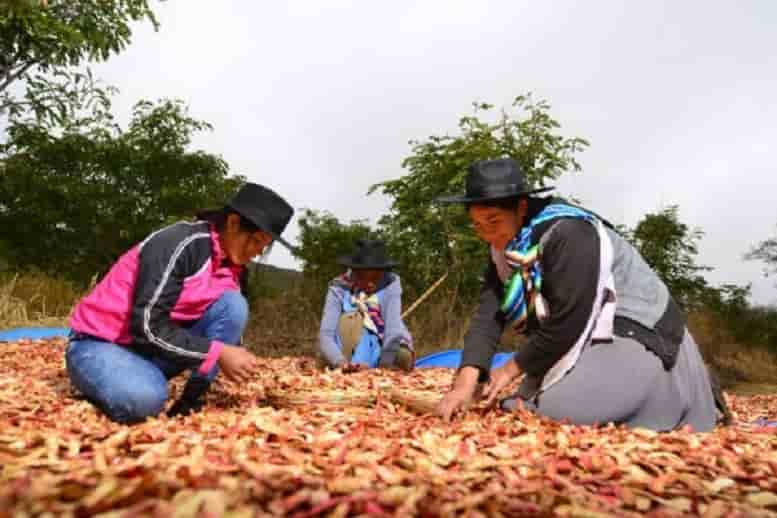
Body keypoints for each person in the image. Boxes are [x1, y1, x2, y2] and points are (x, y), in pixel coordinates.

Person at [435, 158, 726, 432]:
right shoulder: (506, 247)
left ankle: (689, 388)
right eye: (477, 225)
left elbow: (568, 321)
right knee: (528, 402)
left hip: (637, 333)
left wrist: (508, 370)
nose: (486, 234)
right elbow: (489, 314)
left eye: (493, 221)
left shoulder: (570, 231)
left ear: (521, 207)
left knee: (555, 409)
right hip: (582, 340)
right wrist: (465, 382)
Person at [66, 183, 295, 423]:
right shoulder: (180, 245)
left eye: (265, 246)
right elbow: (146, 326)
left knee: (234, 305)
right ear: (233, 223)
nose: (258, 252)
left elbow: (225, 329)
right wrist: (217, 352)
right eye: (256, 241)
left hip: (152, 351)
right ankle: (114, 382)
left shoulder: (234, 270)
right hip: (101, 344)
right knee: (144, 399)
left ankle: (189, 402)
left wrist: (236, 358)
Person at [319, 239, 414, 371]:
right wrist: (340, 363)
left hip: (384, 349)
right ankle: (352, 366)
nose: (370, 284)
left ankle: (377, 364)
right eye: (363, 278)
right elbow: (326, 335)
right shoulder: (339, 287)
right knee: (351, 318)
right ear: (354, 272)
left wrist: (383, 367)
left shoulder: (391, 283)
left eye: (376, 278)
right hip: (347, 348)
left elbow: (393, 330)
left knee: (403, 356)